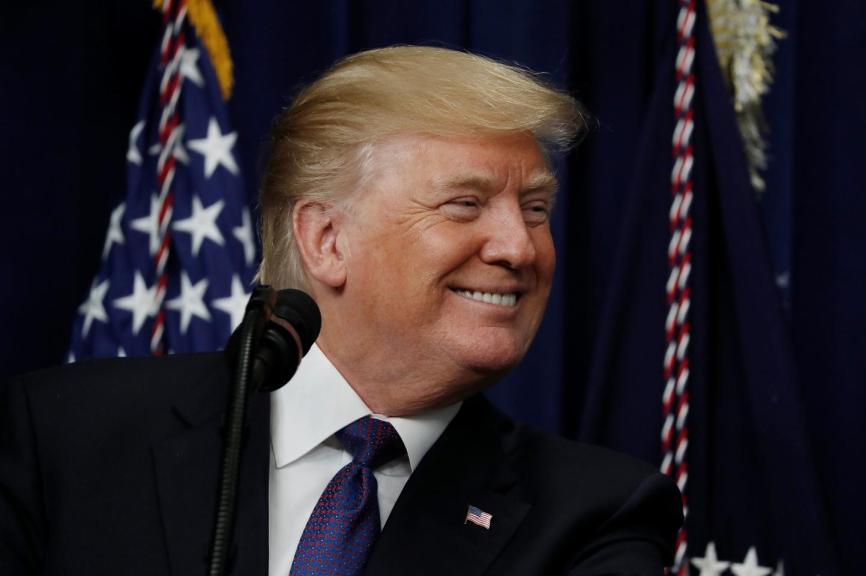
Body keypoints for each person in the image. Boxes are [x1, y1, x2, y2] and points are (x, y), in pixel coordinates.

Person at [0, 46, 682, 575]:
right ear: (327, 240)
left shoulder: (597, 515)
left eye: (535, 209)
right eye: (465, 204)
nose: (519, 247)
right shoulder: (62, 436)